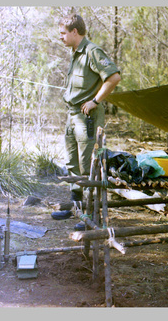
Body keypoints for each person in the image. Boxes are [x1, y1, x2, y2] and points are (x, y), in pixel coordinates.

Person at [53, 14, 121, 227]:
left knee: (88, 165)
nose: (61, 37)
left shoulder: (92, 51)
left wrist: (95, 100)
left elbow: (114, 77)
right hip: (73, 115)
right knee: (72, 163)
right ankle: (77, 209)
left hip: (87, 118)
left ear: (75, 32)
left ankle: (91, 214)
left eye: (63, 33)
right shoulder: (75, 53)